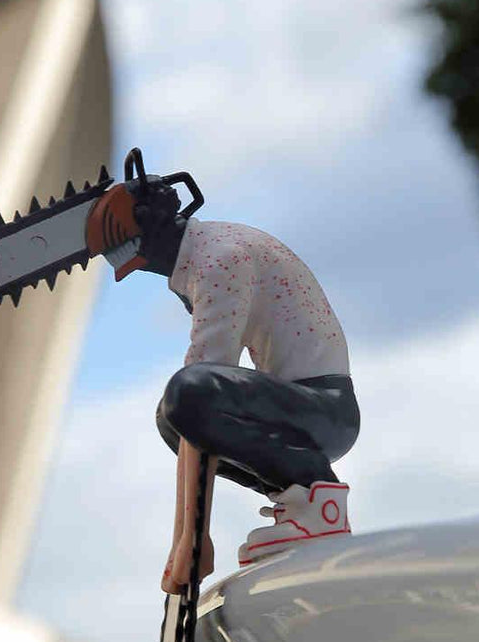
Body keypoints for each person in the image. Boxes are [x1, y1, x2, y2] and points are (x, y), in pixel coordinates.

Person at [85, 153, 359, 594]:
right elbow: (190, 419)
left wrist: (192, 540)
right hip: (301, 405)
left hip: (325, 408)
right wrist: (185, 541)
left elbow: (201, 390)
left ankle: (315, 489)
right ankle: (301, 494)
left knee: (188, 393)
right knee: (171, 416)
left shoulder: (219, 261)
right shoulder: (206, 254)